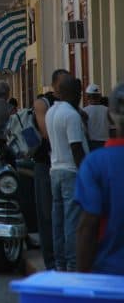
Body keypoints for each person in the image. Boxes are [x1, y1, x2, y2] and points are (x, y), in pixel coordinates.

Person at [75, 82, 124, 275]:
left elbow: (88, 226)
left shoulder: (94, 165)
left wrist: (82, 280)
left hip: (108, 272)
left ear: (110, 116)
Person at [46, 74, 88, 271]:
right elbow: (76, 148)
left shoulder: (51, 112)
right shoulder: (71, 115)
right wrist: (88, 173)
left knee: (58, 221)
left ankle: (59, 264)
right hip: (71, 171)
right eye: (78, 92)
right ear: (74, 93)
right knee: (72, 221)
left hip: (55, 170)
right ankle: (72, 264)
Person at [31, 68, 69, 270]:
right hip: (45, 165)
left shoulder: (70, 105)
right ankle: (51, 262)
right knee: (47, 215)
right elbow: (46, 133)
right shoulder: (42, 103)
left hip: (65, 165)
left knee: (66, 215)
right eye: (64, 85)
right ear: (55, 85)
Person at [82, 84, 113, 151]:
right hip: (106, 143)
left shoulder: (84, 111)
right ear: (100, 96)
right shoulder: (107, 110)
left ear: (88, 97)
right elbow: (112, 129)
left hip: (91, 143)